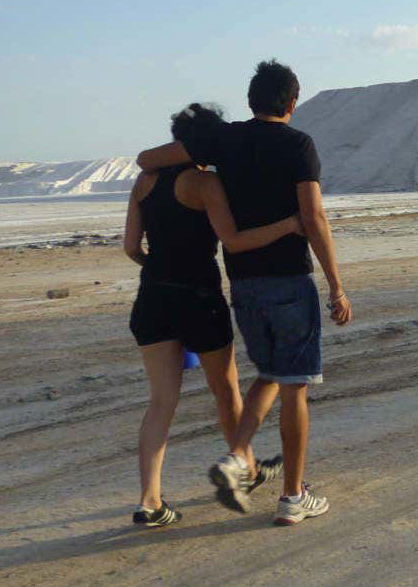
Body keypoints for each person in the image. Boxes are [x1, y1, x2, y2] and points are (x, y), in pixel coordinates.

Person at [137, 60, 352, 526]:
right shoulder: (299, 145)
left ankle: (238, 457)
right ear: (292, 103)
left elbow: (145, 160)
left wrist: (187, 150)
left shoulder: (225, 139)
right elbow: (313, 217)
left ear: (252, 99)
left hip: (243, 285)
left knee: (268, 374)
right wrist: (335, 284)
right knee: (294, 387)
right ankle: (293, 496)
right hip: (289, 281)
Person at [124, 103, 302, 527]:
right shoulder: (204, 183)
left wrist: (159, 269)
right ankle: (245, 467)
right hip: (199, 297)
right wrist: (290, 225)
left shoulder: (144, 182)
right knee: (226, 391)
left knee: (161, 403)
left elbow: (131, 248)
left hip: (151, 298)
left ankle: (150, 502)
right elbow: (233, 240)